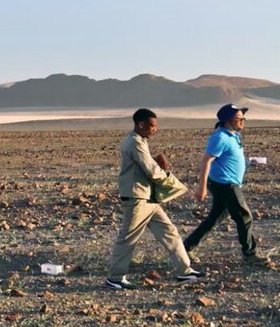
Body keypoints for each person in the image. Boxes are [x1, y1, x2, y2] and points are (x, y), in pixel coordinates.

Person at [106, 108, 203, 289]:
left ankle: (184, 271)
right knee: (128, 238)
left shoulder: (139, 141)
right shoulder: (135, 143)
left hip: (148, 198)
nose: (155, 129)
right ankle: (115, 277)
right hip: (138, 198)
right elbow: (151, 171)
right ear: (141, 124)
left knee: (169, 232)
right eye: (152, 126)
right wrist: (166, 173)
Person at [183, 104, 268, 264]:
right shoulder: (220, 137)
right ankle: (250, 254)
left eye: (243, 118)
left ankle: (185, 248)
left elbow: (230, 158)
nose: (243, 121)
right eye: (239, 118)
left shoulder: (233, 136)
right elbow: (206, 161)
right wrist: (201, 188)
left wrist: (250, 162)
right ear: (228, 121)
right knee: (244, 217)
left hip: (227, 183)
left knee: (214, 218)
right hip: (225, 184)